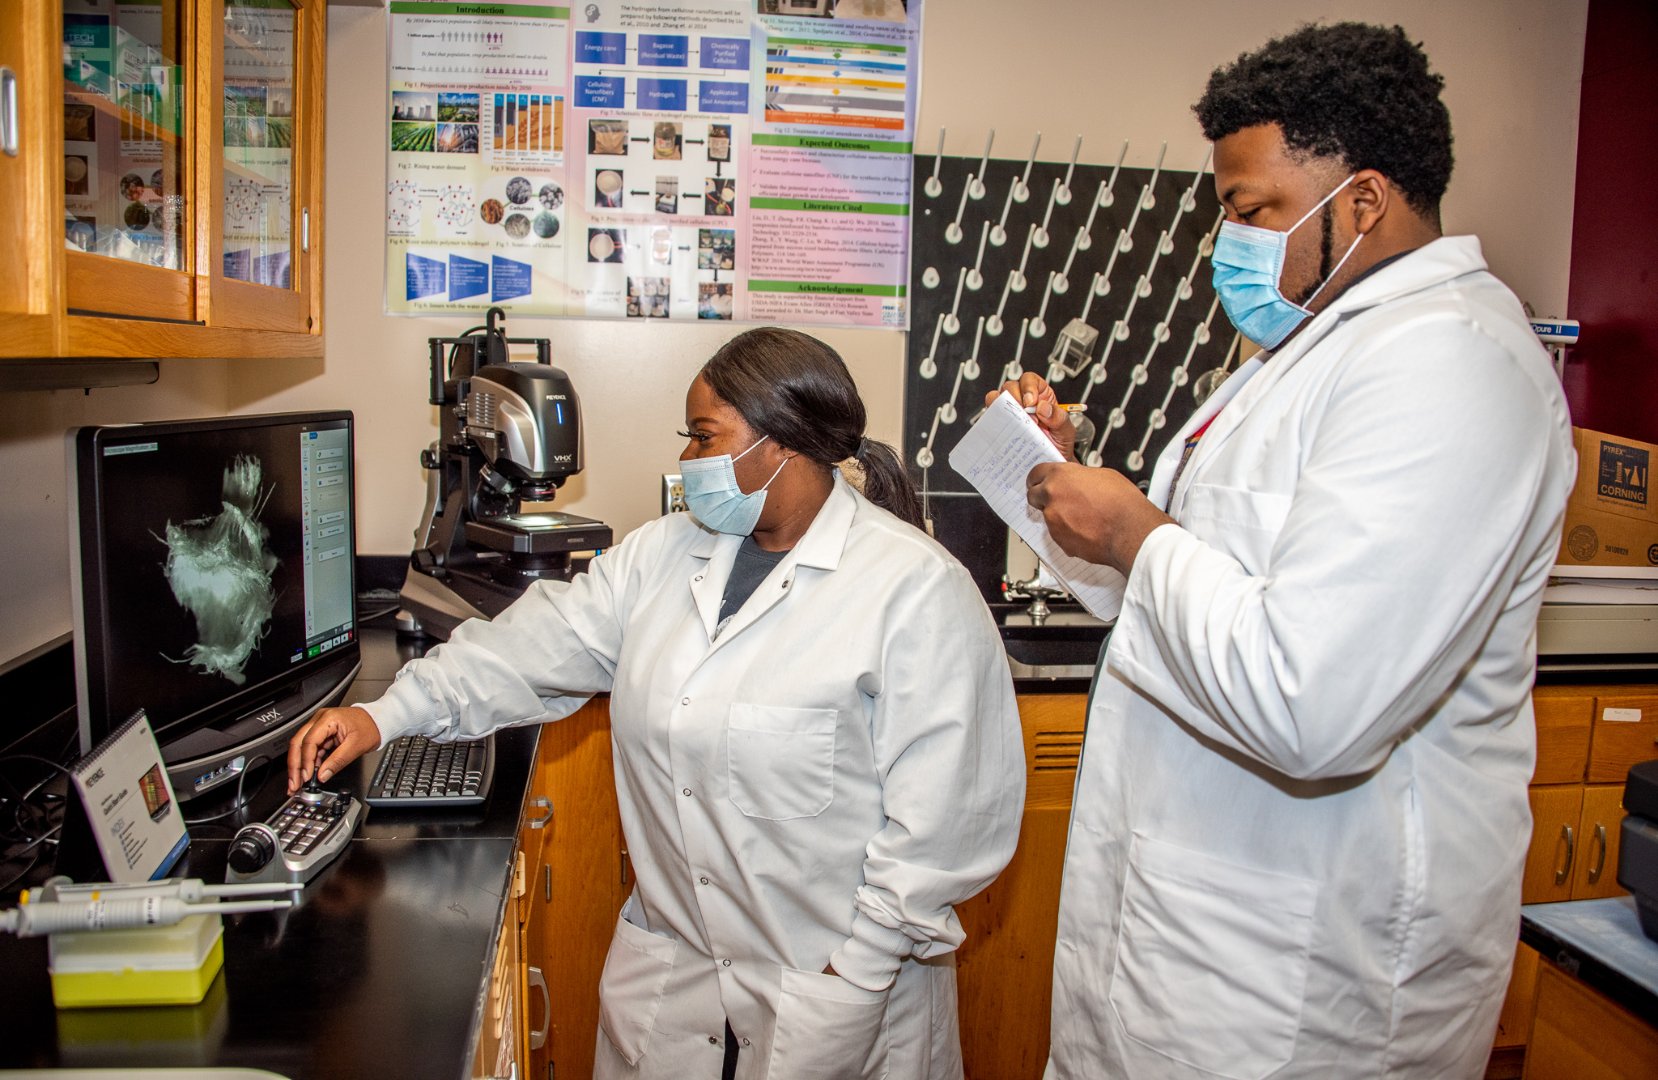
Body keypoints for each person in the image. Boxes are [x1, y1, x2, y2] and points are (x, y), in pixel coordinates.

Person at [994, 23, 1575, 1079]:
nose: (1225, 245)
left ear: (1360, 202)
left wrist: (1134, 529)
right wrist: (1069, 495)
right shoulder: (1305, 354)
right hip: (1192, 938)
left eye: (1250, 211)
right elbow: (1186, 602)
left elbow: (1312, 705)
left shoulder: (1449, 363)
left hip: (1303, 975)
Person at [290, 327, 1025, 1080]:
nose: (688, 460)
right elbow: (530, 647)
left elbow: (944, 834)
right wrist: (384, 713)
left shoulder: (915, 591)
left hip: (839, 1000)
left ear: (779, 444)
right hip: (676, 993)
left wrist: (851, 978)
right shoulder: (665, 555)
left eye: (704, 437)